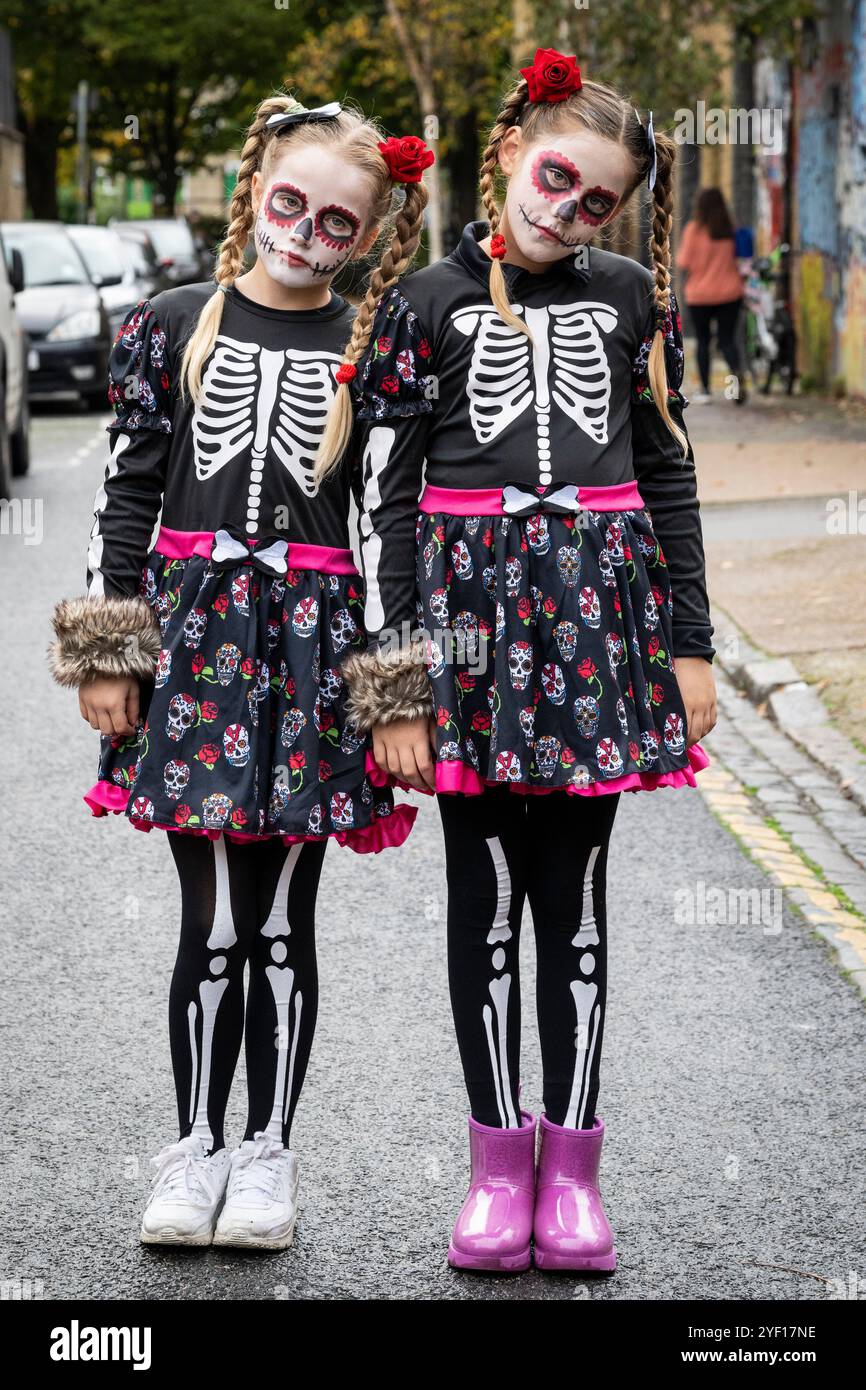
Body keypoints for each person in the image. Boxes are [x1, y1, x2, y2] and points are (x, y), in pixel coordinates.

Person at [315, 48, 717, 1273]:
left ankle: (573, 1172)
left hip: (596, 636)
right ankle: (496, 1165)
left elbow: (665, 471)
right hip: (463, 635)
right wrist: (394, 677)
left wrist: (690, 643)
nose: (567, 209)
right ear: (508, 152)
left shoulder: (625, 301)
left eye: (597, 201)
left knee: (575, 904)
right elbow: (379, 497)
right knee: (481, 901)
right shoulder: (420, 305)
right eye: (556, 177)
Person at [48, 94, 431, 1251]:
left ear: (365, 237)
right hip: (193, 646)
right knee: (209, 923)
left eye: (336, 223)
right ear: (254, 185)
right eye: (288, 203)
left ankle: (267, 1156)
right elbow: (127, 490)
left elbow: (392, 523)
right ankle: (194, 1149)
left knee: (279, 927)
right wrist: (110, 650)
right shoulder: (170, 322)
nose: (306, 233)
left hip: (313, 655)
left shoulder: (366, 347)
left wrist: (396, 686)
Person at [676, 187, 747, 403]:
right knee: (727, 341)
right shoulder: (730, 231)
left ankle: (705, 391)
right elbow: (742, 261)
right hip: (730, 293)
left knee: (703, 341)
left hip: (700, 296)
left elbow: (683, 262)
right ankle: (735, 383)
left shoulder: (694, 230)